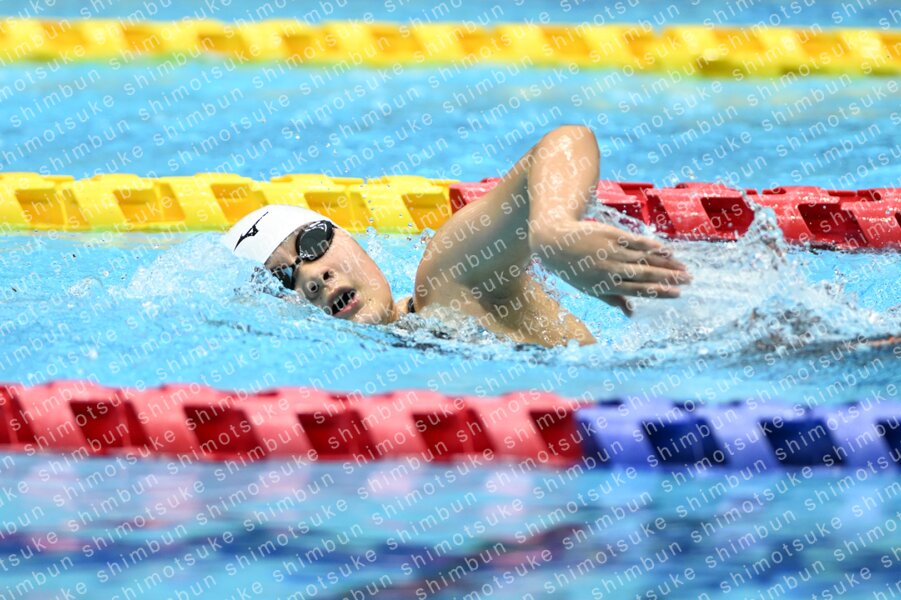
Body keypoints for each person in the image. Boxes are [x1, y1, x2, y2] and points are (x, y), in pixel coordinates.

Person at [222, 125, 692, 347]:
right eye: (284, 277)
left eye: (313, 243)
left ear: (352, 240)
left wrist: (554, 233)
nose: (311, 276)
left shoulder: (446, 281)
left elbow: (568, 141)